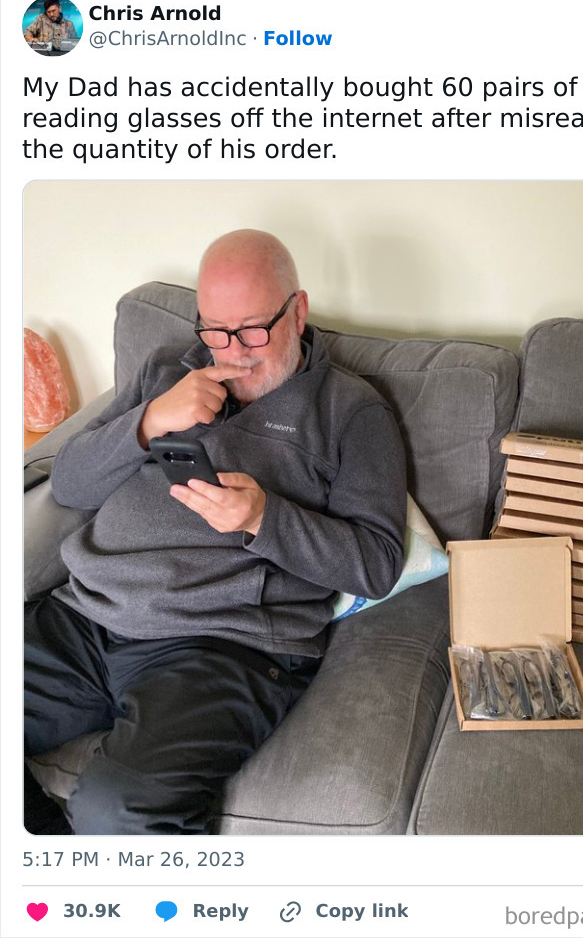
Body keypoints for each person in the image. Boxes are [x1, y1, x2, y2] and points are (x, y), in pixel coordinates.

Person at [25, 230, 407, 834]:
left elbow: (377, 564)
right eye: (214, 330)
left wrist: (264, 519)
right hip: (86, 616)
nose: (233, 352)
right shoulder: (165, 372)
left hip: (222, 645)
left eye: (255, 329)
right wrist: (146, 424)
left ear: (299, 311)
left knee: (116, 805)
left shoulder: (350, 411)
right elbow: (68, 483)